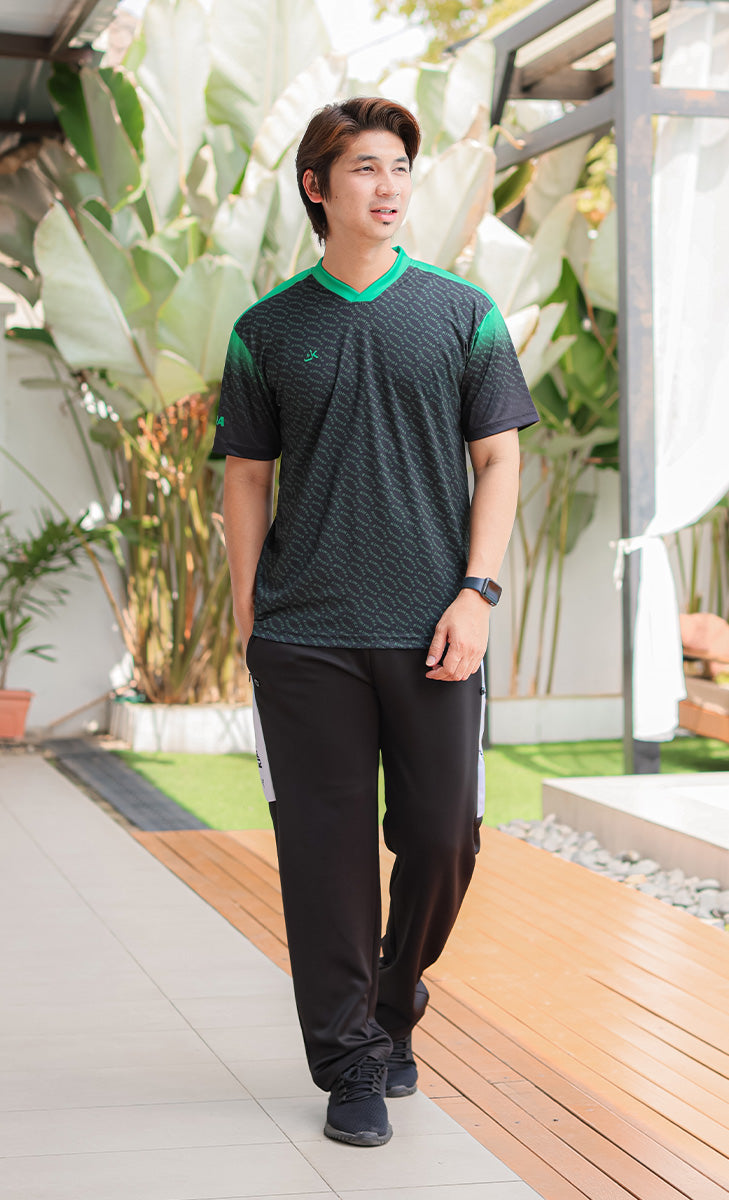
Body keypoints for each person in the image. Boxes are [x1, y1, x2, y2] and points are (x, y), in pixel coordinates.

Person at [213, 96, 538, 1148]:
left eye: (399, 166)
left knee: (443, 839)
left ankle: (395, 998)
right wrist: (252, 616)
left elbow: (499, 459)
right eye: (365, 168)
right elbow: (246, 479)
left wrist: (477, 593)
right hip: (305, 636)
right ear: (318, 187)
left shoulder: (461, 313)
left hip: (436, 627)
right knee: (326, 856)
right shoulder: (266, 330)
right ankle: (350, 1060)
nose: (389, 186)